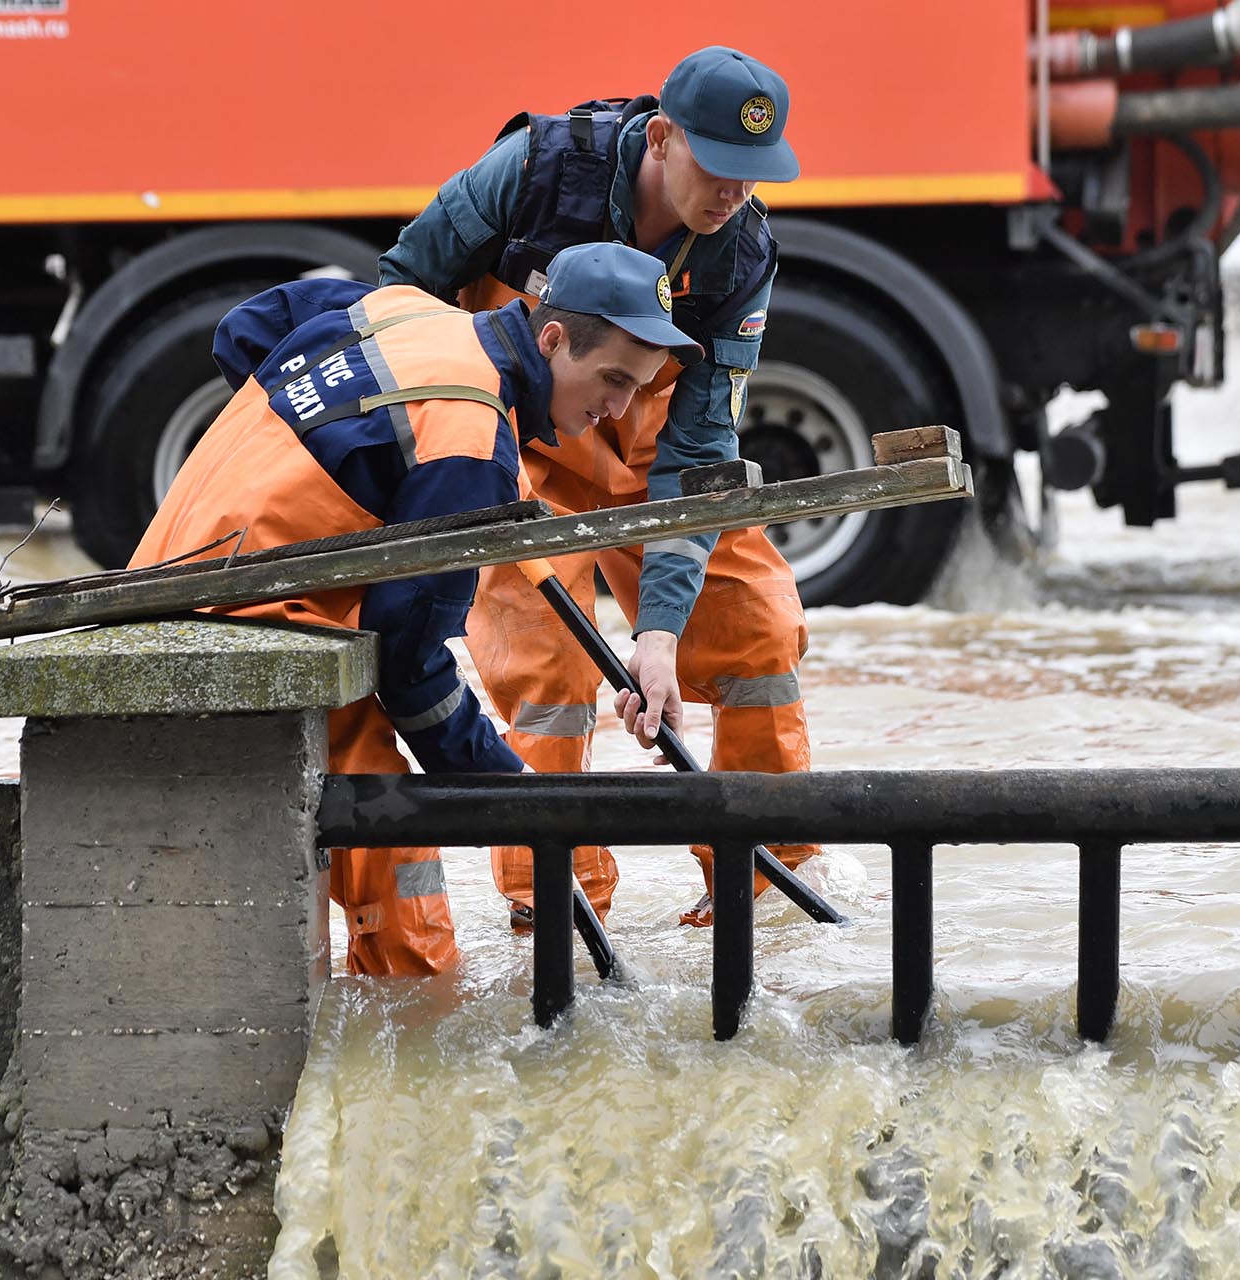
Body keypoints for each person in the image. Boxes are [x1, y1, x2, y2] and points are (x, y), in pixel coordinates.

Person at [130, 242, 698, 976]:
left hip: (174, 567)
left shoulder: (403, 311)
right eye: (613, 379)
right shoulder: (466, 443)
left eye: (638, 387)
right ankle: (415, 1030)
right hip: (243, 615)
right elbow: (408, 666)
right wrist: (507, 791)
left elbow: (244, 330)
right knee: (393, 850)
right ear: (552, 338)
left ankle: (391, 1036)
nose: (620, 409)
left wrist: (315, 463)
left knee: (386, 812)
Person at [378, 46, 817, 929]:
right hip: (513, 442)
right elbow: (402, 295)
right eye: (719, 168)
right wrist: (454, 451)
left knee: (758, 631)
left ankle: (759, 898)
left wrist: (658, 633)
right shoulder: (536, 170)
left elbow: (699, 452)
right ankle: (559, 911)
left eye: (754, 175)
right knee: (544, 672)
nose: (735, 193)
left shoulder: (741, 255)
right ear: (661, 138)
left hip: (653, 451)